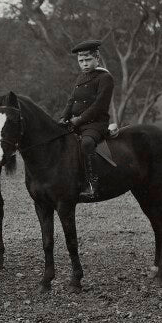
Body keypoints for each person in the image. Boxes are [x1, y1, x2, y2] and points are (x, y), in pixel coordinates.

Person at [58, 39, 114, 202]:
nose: (84, 64)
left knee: (87, 144)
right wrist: (63, 118)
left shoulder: (105, 78)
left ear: (97, 58)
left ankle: (92, 184)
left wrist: (78, 121)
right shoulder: (81, 78)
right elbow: (72, 101)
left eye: (88, 59)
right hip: (77, 122)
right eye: (81, 61)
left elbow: (99, 106)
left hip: (95, 124)